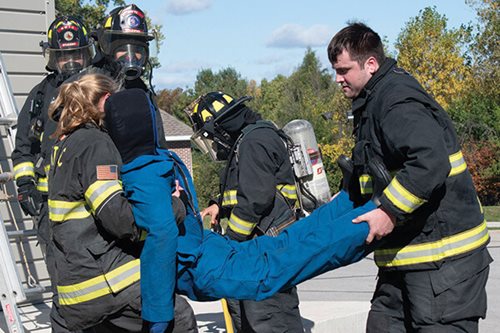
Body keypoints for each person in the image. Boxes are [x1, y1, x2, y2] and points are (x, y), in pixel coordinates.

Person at [48, 73, 385, 331]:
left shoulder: (81, 151)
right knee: (283, 260)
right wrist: (159, 314)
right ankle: (372, 217)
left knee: (288, 249)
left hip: (206, 249)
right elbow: (154, 229)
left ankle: (360, 205)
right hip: (199, 257)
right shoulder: (128, 159)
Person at [327, 22, 492, 332]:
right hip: (404, 262)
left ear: (371, 64)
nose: (338, 78)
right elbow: (377, 168)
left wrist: (389, 211)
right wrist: (347, 195)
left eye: (344, 70)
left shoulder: (396, 100)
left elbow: (429, 162)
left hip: (445, 264)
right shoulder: (372, 102)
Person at [188, 92, 304, 332]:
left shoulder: (254, 142)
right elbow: (247, 188)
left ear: (220, 127)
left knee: (269, 317)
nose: (214, 143)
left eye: (211, 136)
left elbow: (255, 201)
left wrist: (230, 244)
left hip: (264, 248)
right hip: (263, 245)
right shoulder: (250, 138)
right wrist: (220, 206)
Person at [11, 16, 95, 333]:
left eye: (76, 55)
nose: (71, 62)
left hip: (100, 203)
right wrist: (25, 185)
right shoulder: (39, 97)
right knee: (63, 278)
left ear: (87, 54)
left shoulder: (100, 88)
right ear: (53, 57)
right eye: (64, 56)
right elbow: (24, 148)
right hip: (53, 209)